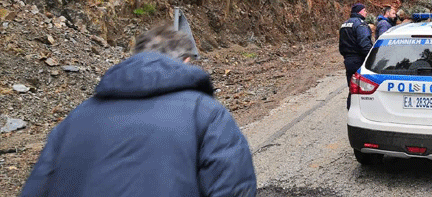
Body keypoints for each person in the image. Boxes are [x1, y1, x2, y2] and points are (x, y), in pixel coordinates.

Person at [20, 22, 257, 197]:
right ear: (185, 61)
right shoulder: (205, 112)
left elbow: (36, 187)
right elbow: (233, 189)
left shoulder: (76, 118)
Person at [339, 3, 373, 109]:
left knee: (352, 88)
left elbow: (341, 44)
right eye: (364, 10)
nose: (366, 12)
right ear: (360, 11)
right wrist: (371, 59)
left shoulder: (344, 24)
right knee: (363, 88)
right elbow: (365, 44)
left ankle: (351, 109)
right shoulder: (360, 24)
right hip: (359, 60)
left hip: (348, 60)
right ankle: (360, 112)